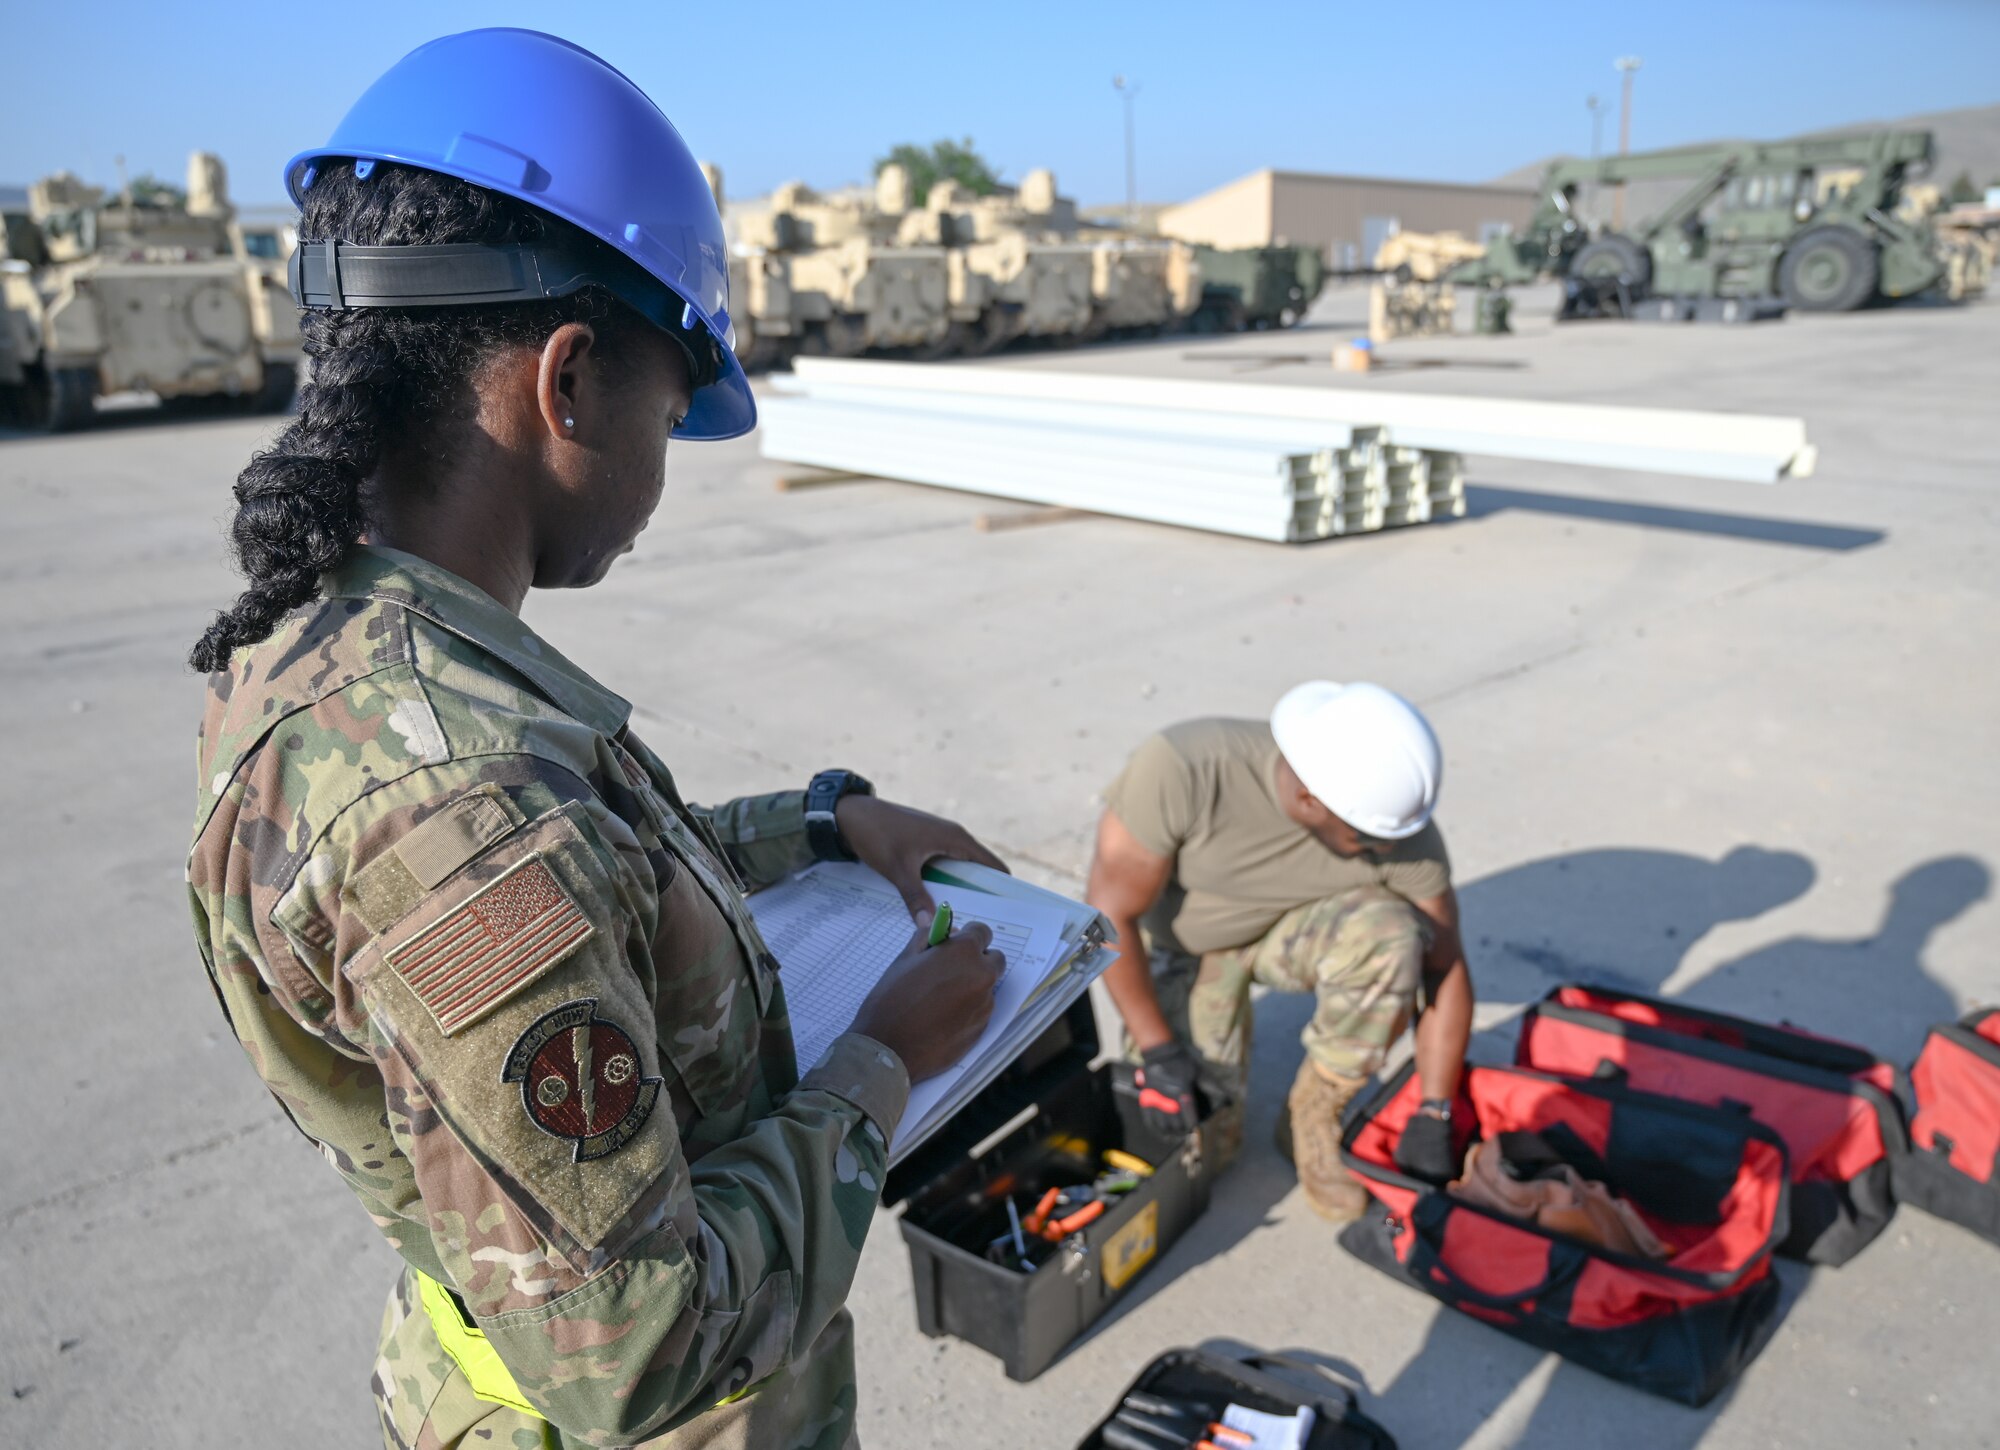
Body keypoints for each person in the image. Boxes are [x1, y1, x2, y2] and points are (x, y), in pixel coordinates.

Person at [184, 29, 1008, 1450]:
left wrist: (821, 824)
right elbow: (638, 1349)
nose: (659, 477)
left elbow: (594, 871)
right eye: (672, 417)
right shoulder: (456, 807)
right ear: (567, 385)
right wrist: (883, 1058)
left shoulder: (342, 646)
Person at [1085, 681, 1473, 1221]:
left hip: (1292, 930)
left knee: (1392, 935)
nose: (1387, 850)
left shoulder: (1391, 823)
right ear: (1309, 799)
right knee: (1201, 1147)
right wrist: (1158, 1049)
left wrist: (1436, 1109)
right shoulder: (1185, 767)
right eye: (1367, 841)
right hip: (1187, 946)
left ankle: (1312, 1115)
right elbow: (1108, 919)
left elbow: (1446, 966)